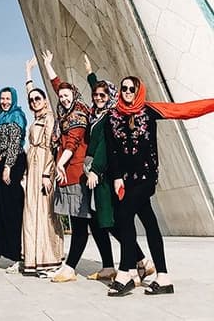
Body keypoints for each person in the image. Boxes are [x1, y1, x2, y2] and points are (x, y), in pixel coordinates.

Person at [105, 75, 214, 297]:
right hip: (126, 180)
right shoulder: (112, 116)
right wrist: (116, 177)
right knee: (149, 222)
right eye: (124, 88)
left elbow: (183, 110)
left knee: (123, 216)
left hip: (146, 178)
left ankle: (125, 273)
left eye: (132, 89)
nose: (127, 92)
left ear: (138, 91)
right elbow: (112, 151)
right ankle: (163, 277)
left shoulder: (149, 111)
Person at [81, 54, 150, 284]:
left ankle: (138, 262)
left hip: (106, 175)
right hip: (96, 174)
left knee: (111, 221)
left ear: (111, 96)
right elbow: (98, 88)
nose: (98, 98)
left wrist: (95, 169)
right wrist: (90, 73)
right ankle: (127, 263)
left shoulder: (110, 117)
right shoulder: (97, 114)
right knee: (102, 221)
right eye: (95, 95)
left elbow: (104, 146)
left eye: (103, 95)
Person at [41, 49, 91, 283]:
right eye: (61, 96)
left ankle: (69, 268)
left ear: (74, 94)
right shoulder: (65, 110)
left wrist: (59, 165)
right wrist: (48, 65)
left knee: (81, 224)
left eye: (66, 95)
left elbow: (73, 142)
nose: (63, 98)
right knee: (95, 226)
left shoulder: (78, 114)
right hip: (69, 173)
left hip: (76, 174)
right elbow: (57, 85)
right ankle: (136, 262)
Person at [22, 57, 64, 276]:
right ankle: (33, 258)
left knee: (44, 213)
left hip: (43, 168)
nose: (34, 101)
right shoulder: (35, 118)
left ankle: (49, 258)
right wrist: (28, 74)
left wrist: (47, 173)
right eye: (32, 100)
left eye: (38, 99)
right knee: (31, 212)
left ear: (46, 101)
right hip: (32, 168)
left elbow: (51, 146)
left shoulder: (49, 118)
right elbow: (30, 93)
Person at [0, 73, 27, 272]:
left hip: (13, 163)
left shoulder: (16, 116)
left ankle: (18, 255)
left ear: (14, 99)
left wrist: (8, 166)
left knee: (12, 209)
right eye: (2, 98)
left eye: (8, 98)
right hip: (0, 162)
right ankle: (7, 250)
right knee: (1, 208)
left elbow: (15, 143)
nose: (4, 101)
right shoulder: (3, 115)